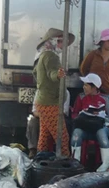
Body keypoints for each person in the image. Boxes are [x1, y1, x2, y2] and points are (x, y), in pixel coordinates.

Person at [33, 28, 75, 157]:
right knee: (62, 137)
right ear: (55, 41)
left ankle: (40, 160)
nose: (64, 46)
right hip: (50, 102)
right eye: (62, 42)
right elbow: (52, 74)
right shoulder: (51, 56)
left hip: (43, 101)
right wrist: (58, 74)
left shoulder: (43, 55)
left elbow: (36, 73)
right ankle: (64, 162)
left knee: (44, 137)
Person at [71, 73, 109, 172]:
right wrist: (82, 116)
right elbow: (74, 113)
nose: (84, 87)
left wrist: (100, 117)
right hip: (84, 127)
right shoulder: (81, 97)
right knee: (76, 134)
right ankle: (75, 162)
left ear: (94, 87)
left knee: (102, 135)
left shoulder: (105, 99)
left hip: (99, 127)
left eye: (86, 85)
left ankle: (105, 164)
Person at [80, 29, 109, 97]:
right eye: (108, 41)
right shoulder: (92, 54)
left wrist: (108, 80)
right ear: (102, 42)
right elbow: (83, 69)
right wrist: (91, 81)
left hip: (107, 91)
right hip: (92, 91)